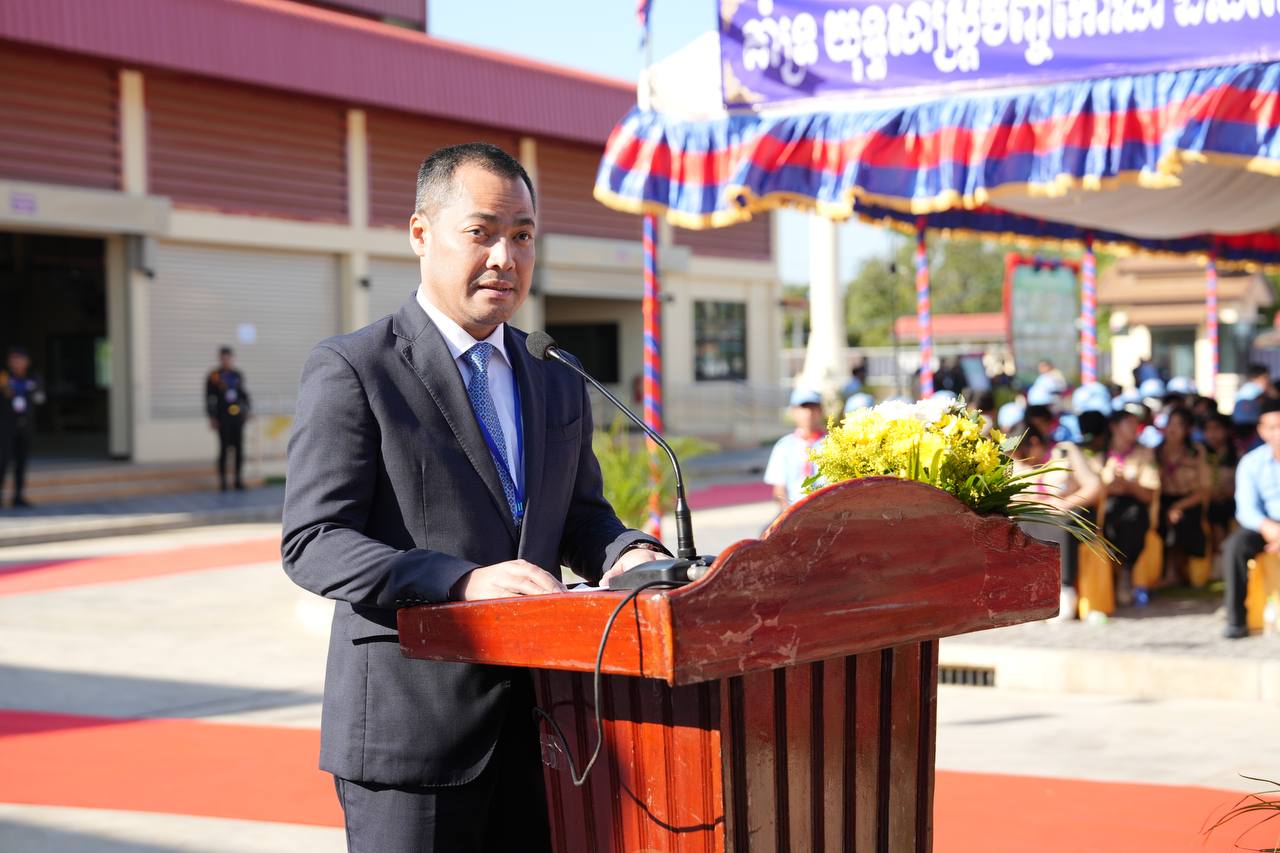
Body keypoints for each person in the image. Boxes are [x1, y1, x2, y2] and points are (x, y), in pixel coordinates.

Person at [280, 143, 668, 852]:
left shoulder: (555, 372)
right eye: (481, 232)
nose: (504, 257)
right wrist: (460, 581)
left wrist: (628, 552)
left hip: (547, 730)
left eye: (522, 235)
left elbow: (580, 515)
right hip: (414, 735)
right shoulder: (356, 368)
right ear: (421, 233)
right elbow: (314, 541)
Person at [1011, 421, 1102, 621]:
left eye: (1024, 454)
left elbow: (1094, 486)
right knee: (1019, 527)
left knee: (1061, 524)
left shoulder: (1065, 452)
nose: (1022, 460)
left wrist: (1065, 504)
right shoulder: (1018, 464)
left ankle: (1064, 590)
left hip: (1069, 512)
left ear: (1035, 442)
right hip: (1034, 516)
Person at [1221, 397, 1280, 639]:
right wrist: (1269, 528)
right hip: (1266, 526)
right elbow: (1246, 509)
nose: (1278, 433)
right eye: (1273, 428)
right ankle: (1236, 620)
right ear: (1262, 431)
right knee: (1235, 546)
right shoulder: (1251, 463)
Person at [1101, 407, 1160, 605]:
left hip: (1134, 506)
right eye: (1129, 424)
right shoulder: (1101, 453)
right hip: (1103, 506)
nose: (1135, 428)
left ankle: (1125, 573)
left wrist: (1126, 485)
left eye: (1136, 424)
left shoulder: (1145, 453)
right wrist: (1112, 486)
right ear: (1114, 427)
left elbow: (1149, 494)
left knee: (1133, 518)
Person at [1155, 407, 1211, 586]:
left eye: (1178, 425)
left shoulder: (1197, 451)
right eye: (1170, 424)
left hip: (1189, 501)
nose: (1173, 429)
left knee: (1183, 522)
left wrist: (1178, 506)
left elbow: (1205, 489)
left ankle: (1181, 571)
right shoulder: (1156, 452)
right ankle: (1166, 571)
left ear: (1187, 429)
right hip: (1162, 500)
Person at [764, 388, 827, 511]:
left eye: (813, 408)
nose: (809, 413)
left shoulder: (832, 443)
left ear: (820, 410)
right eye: (804, 408)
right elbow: (779, 489)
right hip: (794, 511)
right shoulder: (784, 446)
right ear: (793, 411)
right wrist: (789, 513)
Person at [0, 346, 44, 508]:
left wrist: (29, 393)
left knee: (22, 462)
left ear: (27, 362)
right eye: (13, 360)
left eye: (20, 360)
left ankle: (18, 496)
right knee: (3, 461)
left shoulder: (33, 377)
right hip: (6, 425)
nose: (17, 363)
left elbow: (40, 397)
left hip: (25, 424)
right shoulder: (3, 377)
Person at [206, 346, 252, 491]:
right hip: (222, 417)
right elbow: (209, 398)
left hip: (237, 417)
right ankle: (223, 482)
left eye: (228, 358)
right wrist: (212, 417)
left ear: (232, 359)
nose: (226, 360)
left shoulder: (237, 374)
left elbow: (243, 394)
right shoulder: (214, 376)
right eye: (223, 358)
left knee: (239, 448)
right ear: (220, 359)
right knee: (224, 449)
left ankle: (238, 480)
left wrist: (247, 409)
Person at [1201, 411, 1239, 545]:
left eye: (1216, 428)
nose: (1211, 434)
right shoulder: (1199, 453)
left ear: (1227, 430)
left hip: (1231, 504)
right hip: (1205, 503)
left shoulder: (1238, 455)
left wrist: (1229, 491)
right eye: (1208, 429)